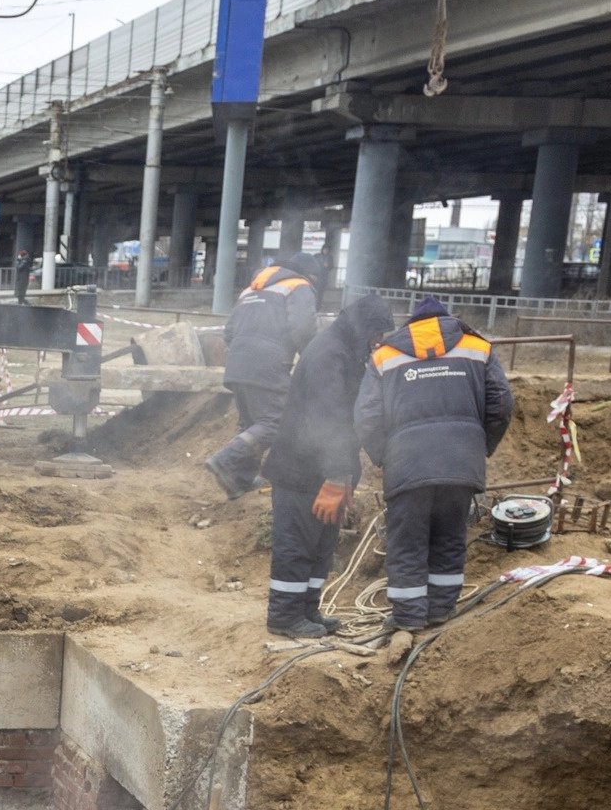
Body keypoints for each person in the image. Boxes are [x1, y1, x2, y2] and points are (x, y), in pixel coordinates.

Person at [355, 295, 515, 634]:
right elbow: (501, 402)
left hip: (407, 462)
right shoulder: (477, 347)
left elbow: (366, 415)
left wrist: (385, 453)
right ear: (447, 319)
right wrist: (480, 445)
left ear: (411, 323)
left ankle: (408, 617)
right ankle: (441, 609)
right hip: (460, 461)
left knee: (407, 538)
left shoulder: (384, 356)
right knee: (449, 533)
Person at [258, 292, 396, 639]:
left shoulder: (348, 351)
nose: (380, 342)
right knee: (297, 544)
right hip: (302, 471)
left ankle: (307, 610)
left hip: (324, 471)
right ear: (365, 327)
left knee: (320, 546)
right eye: (378, 333)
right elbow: (328, 417)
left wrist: (344, 473)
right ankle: (284, 617)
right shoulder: (329, 354)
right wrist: (337, 476)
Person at [207, 253, 326, 499]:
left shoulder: (250, 289)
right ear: (310, 274)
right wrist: (310, 360)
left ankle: (239, 480)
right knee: (278, 421)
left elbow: (229, 332)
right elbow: (304, 329)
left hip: (238, 362)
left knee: (251, 423)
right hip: (268, 362)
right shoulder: (299, 286)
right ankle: (225, 459)